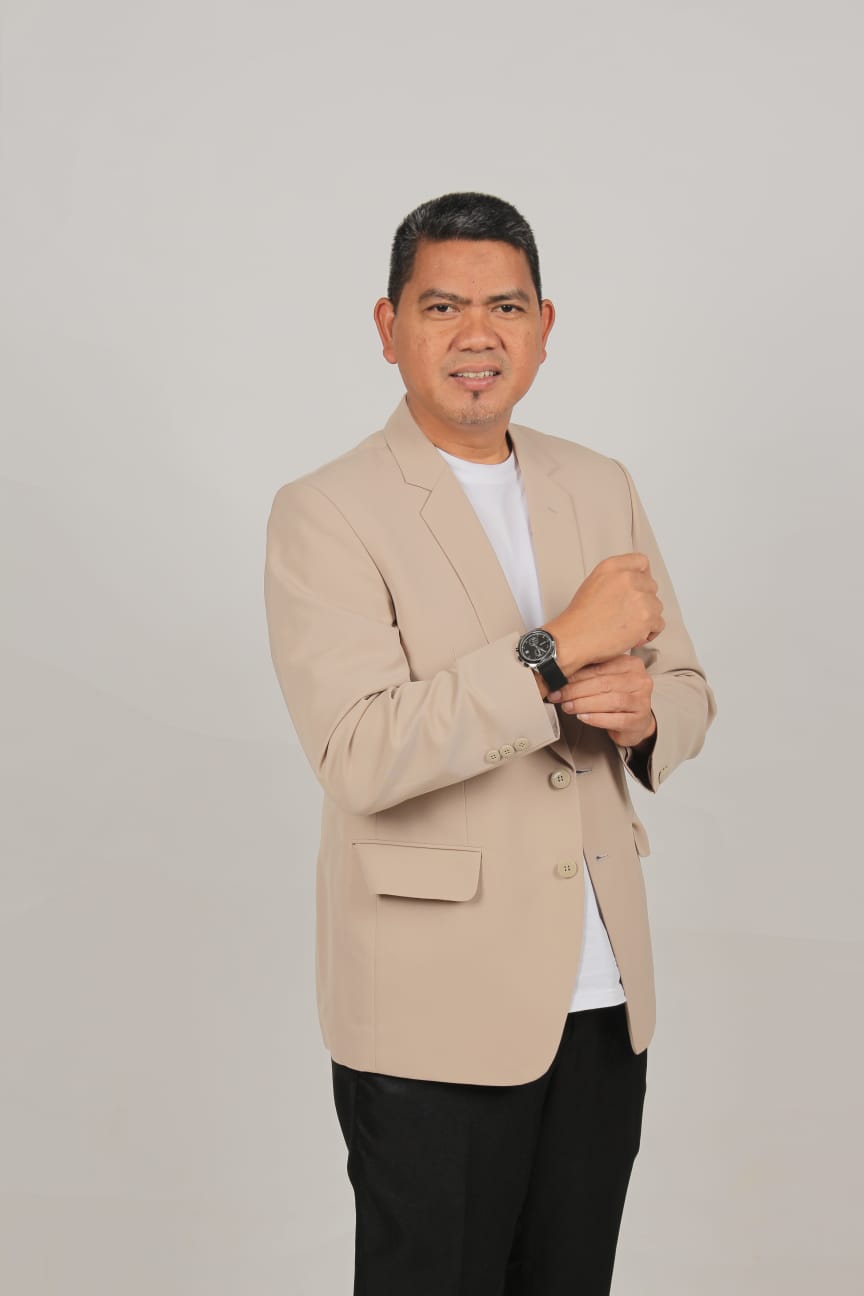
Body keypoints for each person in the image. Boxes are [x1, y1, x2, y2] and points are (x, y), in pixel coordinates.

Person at [263, 191, 717, 1295]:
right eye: (443, 307)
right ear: (389, 327)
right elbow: (360, 750)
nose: (479, 334)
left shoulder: (598, 484)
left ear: (545, 327)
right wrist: (555, 652)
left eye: (507, 307)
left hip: (601, 996)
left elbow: (688, 689)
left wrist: (647, 715)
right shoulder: (326, 510)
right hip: (432, 1005)